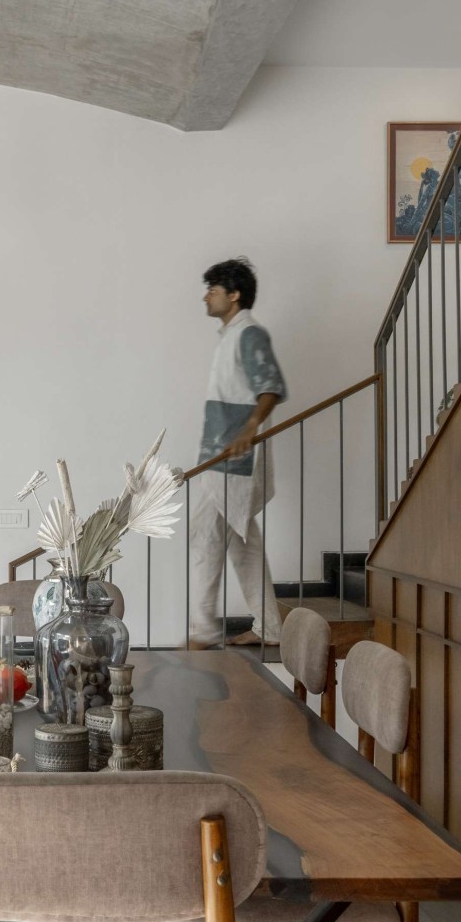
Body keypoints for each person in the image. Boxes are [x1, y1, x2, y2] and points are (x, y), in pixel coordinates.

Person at [189, 257, 286, 648]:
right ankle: (271, 628)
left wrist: (248, 431)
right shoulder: (230, 336)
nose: (205, 297)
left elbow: (270, 387)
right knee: (243, 545)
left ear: (234, 294)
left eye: (212, 290)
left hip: (234, 459)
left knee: (207, 537)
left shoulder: (250, 334)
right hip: (220, 457)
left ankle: (204, 632)